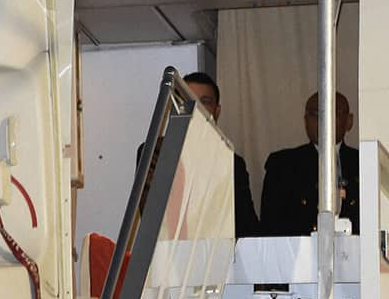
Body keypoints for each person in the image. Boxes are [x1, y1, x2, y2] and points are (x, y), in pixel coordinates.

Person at [136, 72, 260, 237]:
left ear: (217, 111)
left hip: (217, 254)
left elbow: (247, 226)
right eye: (188, 101)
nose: (196, 108)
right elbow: (151, 218)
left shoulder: (231, 161)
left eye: (205, 102)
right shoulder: (156, 151)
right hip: (167, 254)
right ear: (175, 107)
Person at [260, 91, 359, 236]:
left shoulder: (363, 164)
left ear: (349, 121)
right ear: (306, 121)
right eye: (316, 113)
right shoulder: (282, 166)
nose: (324, 119)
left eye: (333, 112)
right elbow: (271, 229)